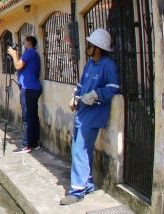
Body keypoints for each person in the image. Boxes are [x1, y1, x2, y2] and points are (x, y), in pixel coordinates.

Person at [60, 28, 120, 206]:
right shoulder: (89, 64)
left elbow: (114, 88)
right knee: (80, 149)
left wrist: (96, 94)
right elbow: (81, 85)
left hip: (94, 114)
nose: (87, 47)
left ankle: (77, 191)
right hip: (82, 112)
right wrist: (75, 97)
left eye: (91, 45)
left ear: (99, 48)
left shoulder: (108, 65)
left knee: (80, 150)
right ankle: (88, 184)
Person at [7, 36, 42, 153]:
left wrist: (13, 54)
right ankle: (34, 142)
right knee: (33, 116)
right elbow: (20, 68)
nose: (23, 45)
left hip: (28, 90)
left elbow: (17, 65)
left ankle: (26, 145)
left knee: (27, 117)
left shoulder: (30, 52)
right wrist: (16, 56)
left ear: (29, 43)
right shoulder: (33, 55)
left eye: (25, 42)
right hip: (34, 89)